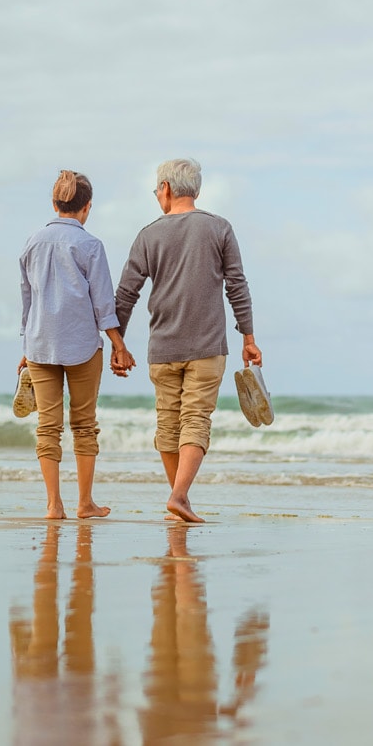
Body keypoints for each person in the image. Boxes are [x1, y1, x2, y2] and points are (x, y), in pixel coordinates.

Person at [115, 159, 260, 523]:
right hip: (208, 347)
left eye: (156, 191)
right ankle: (179, 497)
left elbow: (125, 295)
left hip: (162, 348)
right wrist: (248, 336)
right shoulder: (219, 228)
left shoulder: (148, 235)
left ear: (165, 188)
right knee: (195, 420)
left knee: (167, 424)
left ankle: (178, 501)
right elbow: (237, 287)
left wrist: (118, 344)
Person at [18, 170, 137, 520]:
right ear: (86, 208)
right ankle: (85, 504)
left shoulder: (31, 242)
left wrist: (27, 345)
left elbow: (27, 300)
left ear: (54, 205)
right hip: (83, 345)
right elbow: (102, 303)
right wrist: (119, 345)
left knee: (47, 427)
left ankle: (54, 505)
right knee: (84, 425)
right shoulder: (90, 245)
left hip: (40, 344)